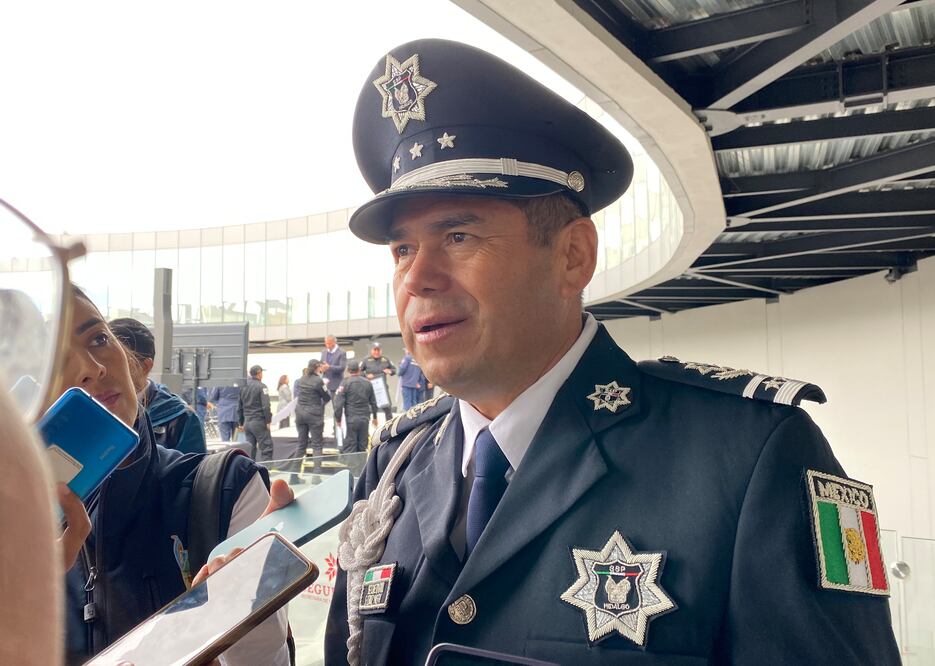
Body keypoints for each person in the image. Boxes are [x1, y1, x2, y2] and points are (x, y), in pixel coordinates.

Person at [324, 39, 900, 665]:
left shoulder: (753, 456)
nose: (416, 278)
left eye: (459, 236)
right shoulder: (396, 463)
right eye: (403, 250)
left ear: (573, 256)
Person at [65, 287, 292, 664]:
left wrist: (247, 628)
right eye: (58, 360)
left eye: (98, 339)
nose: (92, 367)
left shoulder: (226, 488)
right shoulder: (19, 527)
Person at [108, 317, 207, 455]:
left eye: (119, 363)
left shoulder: (181, 418)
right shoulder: (90, 409)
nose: (103, 371)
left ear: (145, 366)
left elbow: (192, 468)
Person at [293, 359, 331, 481]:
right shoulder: (318, 381)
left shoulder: (301, 379)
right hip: (314, 415)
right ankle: (316, 476)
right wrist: (319, 406)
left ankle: (293, 476)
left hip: (300, 414)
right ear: (317, 367)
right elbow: (327, 397)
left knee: (301, 445)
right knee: (317, 444)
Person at [332, 360, 378, 455]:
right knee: (362, 446)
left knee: (350, 446)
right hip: (365, 418)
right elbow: (373, 402)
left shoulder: (345, 383)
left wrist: (338, 419)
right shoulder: (367, 383)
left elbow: (338, 403)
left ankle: (352, 465)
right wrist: (375, 417)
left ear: (348, 370)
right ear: (359, 369)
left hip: (350, 419)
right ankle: (361, 464)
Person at [239, 364, 274, 461]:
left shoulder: (243, 387)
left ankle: (249, 469)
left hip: (247, 422)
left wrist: (241, 422)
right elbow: (266, 406)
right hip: (259, 421)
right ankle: (266, 469)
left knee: (250, 450)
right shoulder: (262, 387)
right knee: (267, 448)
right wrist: (268, 421)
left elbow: (239, 407)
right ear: (259, 373)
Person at [360, 341, 395, 421]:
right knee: (368, 408)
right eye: (374, 350)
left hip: (382, 389)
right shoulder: (366, 360)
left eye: (378, 350)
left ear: (381, 350)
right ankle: (367, 426)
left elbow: (394, 370)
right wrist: (366, 375)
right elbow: (359, 371)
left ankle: (390, 426)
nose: (376, 352)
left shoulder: (385, 359)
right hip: (370, 388)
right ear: (371, 350)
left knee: (387, 408)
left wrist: (390, 371)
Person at [320, 334, 347, 399]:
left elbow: (342, 367)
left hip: (336, 383)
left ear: (334, 342)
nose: (327, 345)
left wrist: (329, 367)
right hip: (325, 383)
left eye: (329, 343)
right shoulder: (324, 351)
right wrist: (321, 369)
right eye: (326, 343)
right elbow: (321, 363)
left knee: (336, 403)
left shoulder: (341, 352)